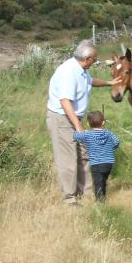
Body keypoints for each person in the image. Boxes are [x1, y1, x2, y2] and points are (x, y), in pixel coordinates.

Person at [46, 40, 121, 205]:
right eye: (95, 58)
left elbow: (90, 81)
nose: (96, 61)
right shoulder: (68, 72)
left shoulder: (82, 69)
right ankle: (70, 198)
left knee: (85, 155)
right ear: (87, 59)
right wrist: (78, 126)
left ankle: (86, 192)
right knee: (68, 158)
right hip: (62, 119)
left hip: (74, 118)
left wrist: (109, 83)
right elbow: (65, 101)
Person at [73, 111, 120, 201]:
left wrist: (76, 129)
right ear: (103, 122)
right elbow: (117, 142)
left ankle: (99, 202)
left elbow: (76, 136)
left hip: (96, 164)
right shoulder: (109, 133)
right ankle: (103, 197)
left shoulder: (87, 134)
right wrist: (111, 149)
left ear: (88, 123)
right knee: (103, 181)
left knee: (98, 183)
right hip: (108, 163)